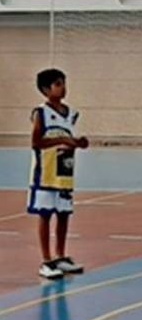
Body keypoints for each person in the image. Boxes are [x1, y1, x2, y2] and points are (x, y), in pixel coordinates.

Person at [28, 68, 89, 280]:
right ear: (46, 89)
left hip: (64, 171)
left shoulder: (70, 114)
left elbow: (69, 139)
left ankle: (60, 255)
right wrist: (62, 140)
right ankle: (46, 261)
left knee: (63, 214)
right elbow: (36, 142)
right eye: (57, 84)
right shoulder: (41, 113)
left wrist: (78, 143)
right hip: (46, 172)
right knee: (45, 214)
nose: (63, 88)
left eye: (64, 83)